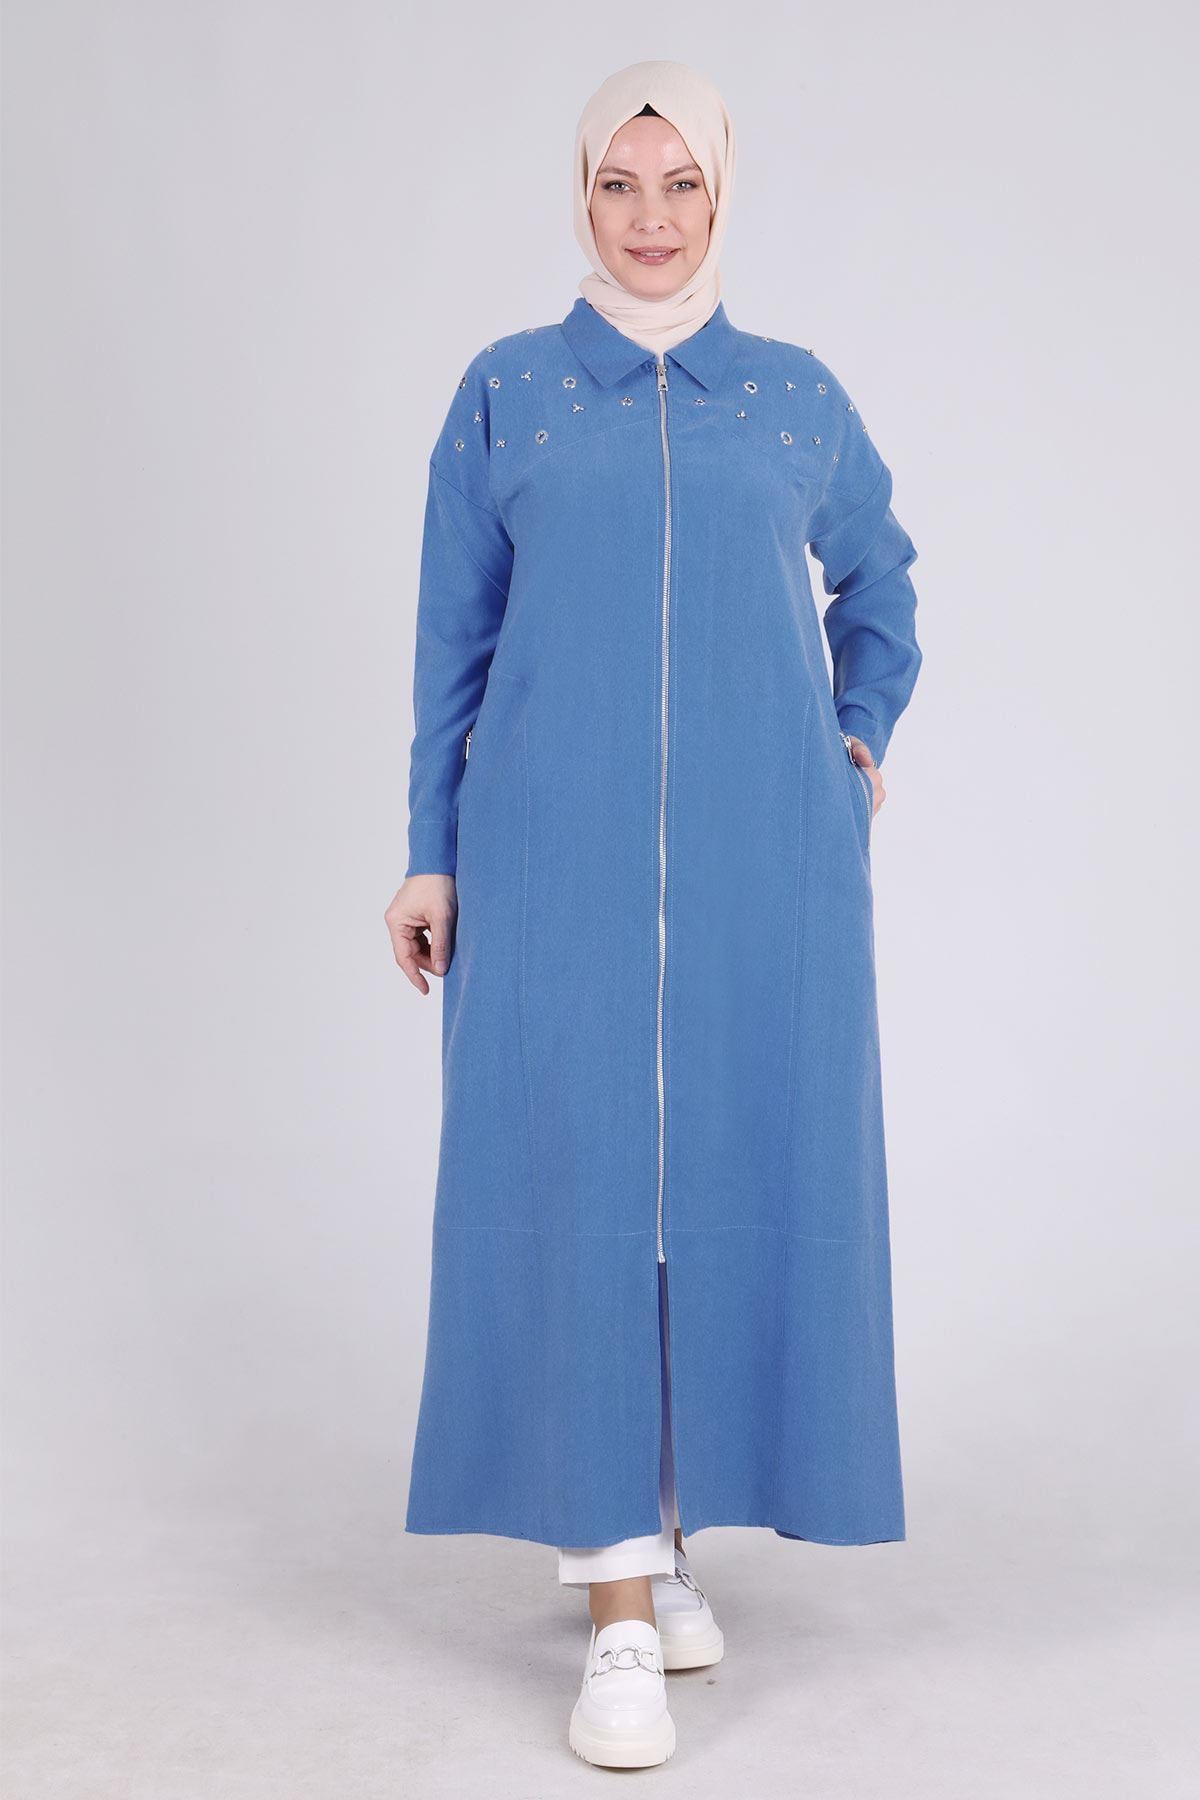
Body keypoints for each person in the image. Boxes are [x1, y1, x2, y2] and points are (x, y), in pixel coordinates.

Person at [385, 59, 923, 1770]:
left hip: (769, 873)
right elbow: (450, 643)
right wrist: (429, 851)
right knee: (583, 1181)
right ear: (581, 196)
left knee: (720, 1186)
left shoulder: (793, 397)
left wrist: (856, 737)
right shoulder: (511, 392)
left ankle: (662, 1533)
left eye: (680, 182)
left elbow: (883, 581)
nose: (650, 216)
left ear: (721, 196)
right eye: (619, 183)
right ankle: (615, 1601)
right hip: (553, 863)